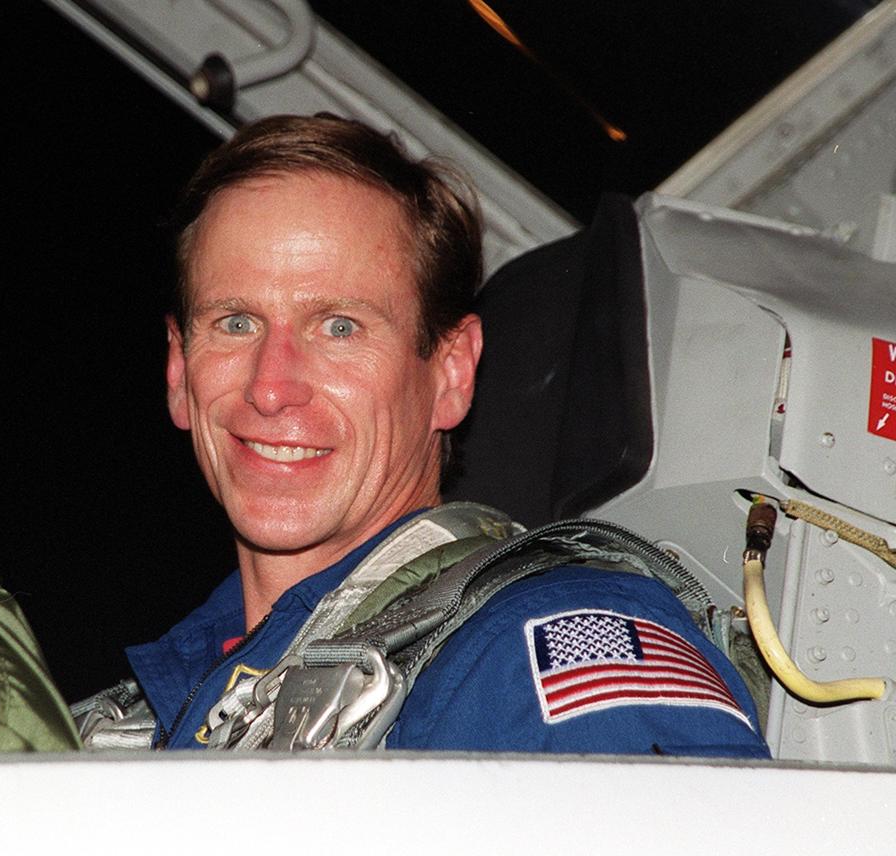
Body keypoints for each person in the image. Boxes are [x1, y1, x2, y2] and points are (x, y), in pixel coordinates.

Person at [111, 114, 768, 757]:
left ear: (451, 372)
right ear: (178, 367)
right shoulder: (145, 720)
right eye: (235, 323)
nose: (271, 386)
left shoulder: (541, 651)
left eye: (339, 327)